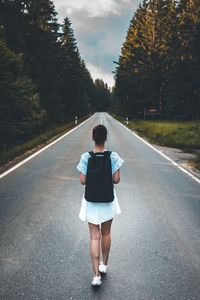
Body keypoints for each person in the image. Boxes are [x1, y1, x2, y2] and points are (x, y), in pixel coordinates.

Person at [76, 124, 124, 286]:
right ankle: (104, 265)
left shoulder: (86, 157)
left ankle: (96, 276)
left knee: (94, 236)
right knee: (106, 233)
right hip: (108, 200)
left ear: (93, 137)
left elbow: (82, 181)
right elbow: (116, 180)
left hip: (91, 201)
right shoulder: (113, 156)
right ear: (106, 138)